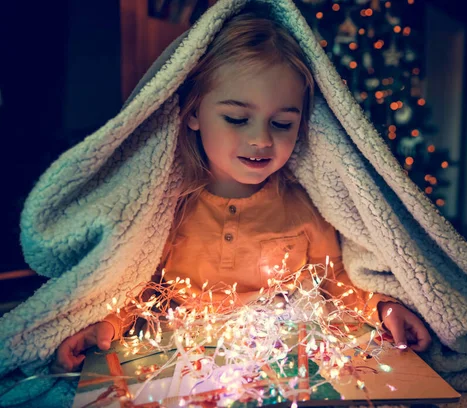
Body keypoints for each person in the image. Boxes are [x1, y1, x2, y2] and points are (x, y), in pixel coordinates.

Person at [50, 6, 431, 374]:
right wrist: (107, 326)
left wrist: (384, 308)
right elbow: (139, 287)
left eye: (282, 123)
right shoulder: (168, 207)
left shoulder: (303, 208)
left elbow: (338, 285)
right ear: (194, 112)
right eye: (237, 118)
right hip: (177, 363)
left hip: (281, 361)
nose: (261, 139)